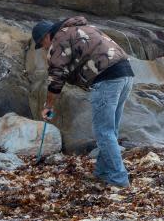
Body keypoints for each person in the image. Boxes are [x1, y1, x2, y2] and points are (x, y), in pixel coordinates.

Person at [33, 17, 135, 188]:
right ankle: (103, 172)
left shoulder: (59, 38)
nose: (44, 48)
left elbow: (56, 76)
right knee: (110, 131)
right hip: (126, 74)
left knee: (104, 133)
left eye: (41, 44)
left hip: (106, 79)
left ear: (46, 36)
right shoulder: (83, 28)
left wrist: (48, 106)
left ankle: (119, 180)